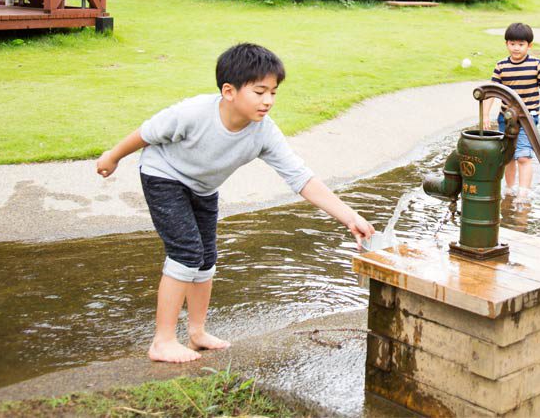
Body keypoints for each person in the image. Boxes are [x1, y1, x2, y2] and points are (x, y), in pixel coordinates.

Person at [96, 43, 375, 364]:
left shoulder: (263, 133)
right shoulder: (193, 112)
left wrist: (348, 215)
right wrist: (112, 157)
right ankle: (163, 341)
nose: (268, 100)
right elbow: (146, 132)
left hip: (203, 186)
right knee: (186, 252)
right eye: (259, 92)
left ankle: (197, 333)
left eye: (273, 92)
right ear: (229, 91)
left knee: (206, 258)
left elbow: (301, 178)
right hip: (164, 175)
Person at [484, 22, 540, 196]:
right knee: (508, 157)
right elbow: (492, 91)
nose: (516, 48)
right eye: (512, 44)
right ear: (506, 44)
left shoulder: (536, 65)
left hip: (528, 118)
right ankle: (510, 190)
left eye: (521, 44)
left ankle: (523, 194)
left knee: (524, 156)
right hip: (506, 118)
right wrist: (485, 115)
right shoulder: (501, 66)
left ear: (529, 45)